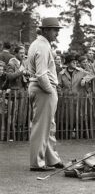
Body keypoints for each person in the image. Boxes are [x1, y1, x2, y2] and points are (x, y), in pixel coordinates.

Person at [25, 17, 64, 171]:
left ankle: (51, 159)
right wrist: (50, 90)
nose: (57, 33)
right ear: (46, 30)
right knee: (41, 127)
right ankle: (37, 163)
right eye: (55, 30)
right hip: (43, 89)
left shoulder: (39, 44)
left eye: (58, 30)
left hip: (39, 88)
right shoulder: (42, 46)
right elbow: (41, 75)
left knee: (48, 126)